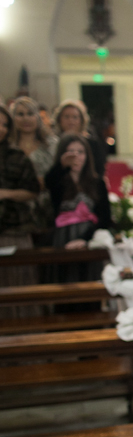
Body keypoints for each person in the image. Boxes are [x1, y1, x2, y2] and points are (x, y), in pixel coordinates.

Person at [0, 103, 41, 312]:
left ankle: (26, 333)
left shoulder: (17, 155)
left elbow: (33, 189)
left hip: (15, 228)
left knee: (18, 283)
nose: (1, 129)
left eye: (5, 125)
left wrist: (5, 194)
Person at [45, 134, 111, 251]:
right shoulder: (58, 180)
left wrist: (86, 239)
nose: (76, 156)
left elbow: (105, 217)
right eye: (71, 151)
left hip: (90, 239)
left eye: (81, 152)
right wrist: (62, 167)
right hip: (63, 238)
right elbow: (49, 183)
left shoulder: (97, 182)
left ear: (87, 155)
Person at [11, 97, 57, 235]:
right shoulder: (8, 146)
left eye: (30, 114)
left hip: (47, 206)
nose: (26, 119)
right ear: (13, 118)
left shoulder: (52, 144)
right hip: (15, 210)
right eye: (20, 114)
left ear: (38, 117)